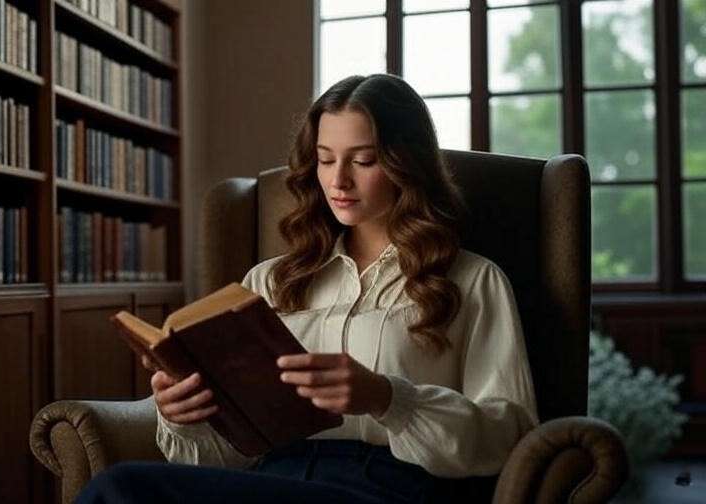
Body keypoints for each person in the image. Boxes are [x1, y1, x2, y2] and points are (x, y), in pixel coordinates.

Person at [75, 74, 540, 503]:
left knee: (123, 488)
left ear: (407, 164)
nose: (338, 181)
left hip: (390, 488)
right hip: (273, 479)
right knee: (120, 488)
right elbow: (230, 457)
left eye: (364, 160)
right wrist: (186, 416)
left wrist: (388, 398)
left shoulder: (471, 280)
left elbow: (508, 436)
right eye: (324, 159)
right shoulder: (270, 281)